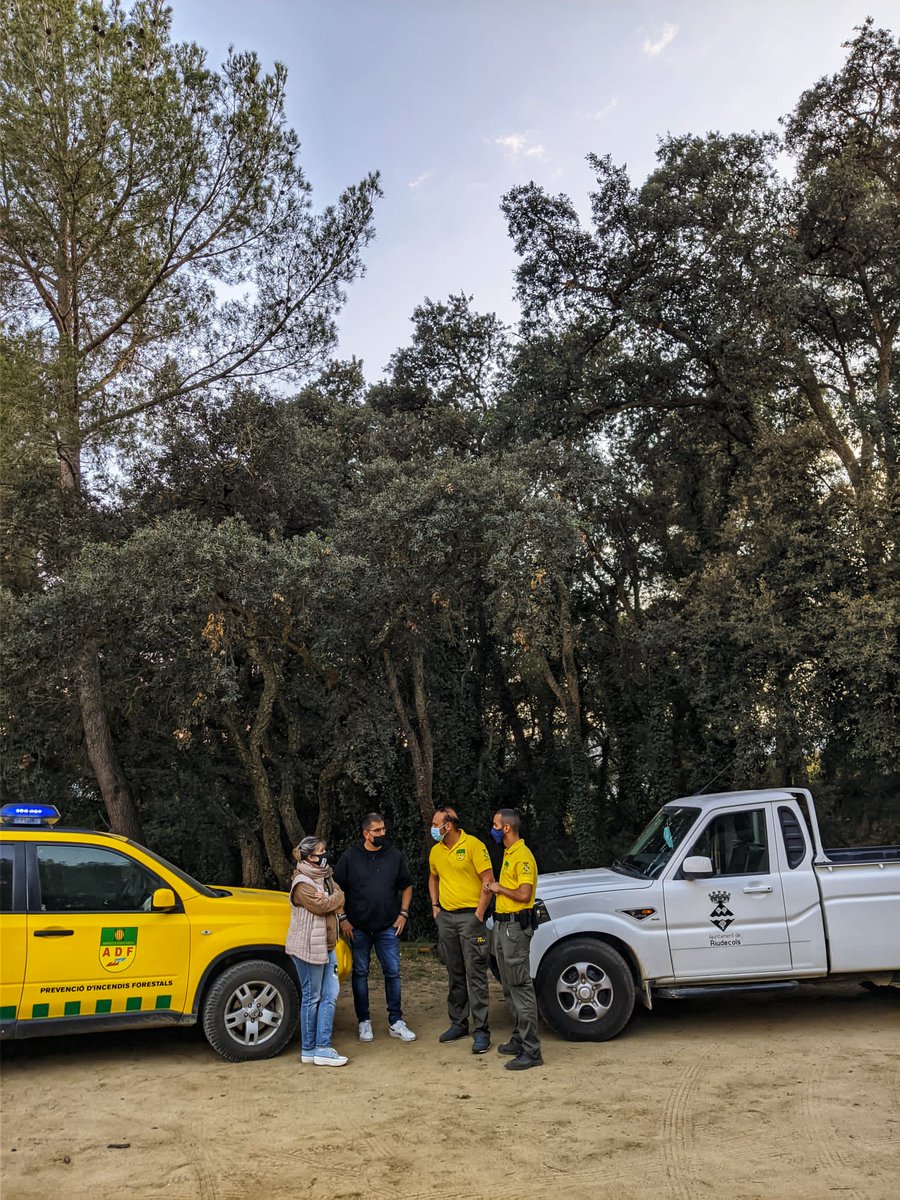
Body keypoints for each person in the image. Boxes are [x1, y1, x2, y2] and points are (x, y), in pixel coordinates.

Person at [332, 812, 417, 1043]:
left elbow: (407, 885)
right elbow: (336, 887)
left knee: (393, 973)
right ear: (366, 833)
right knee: (360, 974)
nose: (382, 834)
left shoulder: (394, 856)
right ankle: (364, 1021)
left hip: (387, 927)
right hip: (357, 928)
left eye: (383, 829)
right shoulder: (350, 857)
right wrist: (342, 918)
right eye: (377, 831)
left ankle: (396, 1021)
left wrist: (403, 914)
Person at [428, 806, 494, 1053]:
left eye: (436, 824)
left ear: (450, 825)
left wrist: (479, 913)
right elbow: (433, 877)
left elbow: (488, 880)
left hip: (470, 918)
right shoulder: (436, 851)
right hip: (446, 918)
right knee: (454, 972)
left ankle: (481, 1030)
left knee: (474, 973)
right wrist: (435, 907)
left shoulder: (474, 845)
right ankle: (458, 1023)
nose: (433, 828)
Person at [483, 808, 543, 1070]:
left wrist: (498, 888)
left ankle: (532, 1051)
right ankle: (519, 1039)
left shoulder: (523, 856)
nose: (493, 828)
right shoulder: (509, 853)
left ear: (506, 828)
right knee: (509, 985)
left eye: (495, 824)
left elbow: (524, 893)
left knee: (520, 987)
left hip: (515, 930)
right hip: (503, 927)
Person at [285, 835, 348, 1067]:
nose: (324, 855)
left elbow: (339, 897)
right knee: (313, 997)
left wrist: (333, 897)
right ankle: (310, 1048)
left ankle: (321, 1046)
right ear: (310, 856)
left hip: (327, 945)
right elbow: (321, 907)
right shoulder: (301, 883)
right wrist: (333, 899)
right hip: (308, 949)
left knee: (330, 995)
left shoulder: (326, 877)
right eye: (321, 851)